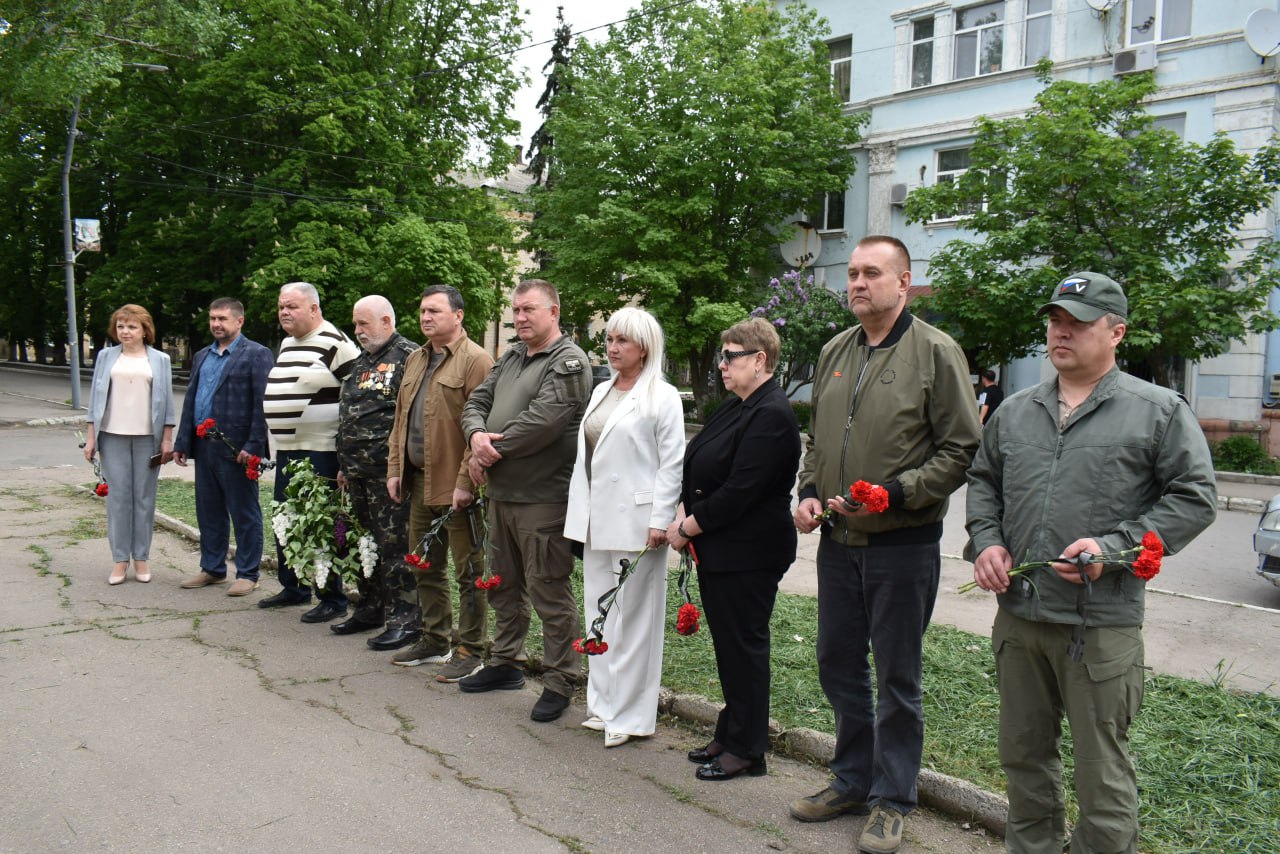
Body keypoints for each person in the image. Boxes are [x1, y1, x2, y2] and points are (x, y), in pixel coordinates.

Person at [965, 272, 1217, 854]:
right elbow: (985, 482)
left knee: (1102, 777)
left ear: (1116, 332)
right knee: (1024, 761)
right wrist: (987, 541)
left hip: (1099, 629)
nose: (1062, 331)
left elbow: (1194, 497)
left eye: (1078, 322)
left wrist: (1116, 547)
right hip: (1021, 622)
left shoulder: (1155, 411)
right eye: (1056, 320)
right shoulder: (1015, 411)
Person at [791, 235, 980, 854]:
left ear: (904, 282)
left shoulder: (936, 352)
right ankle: (851, 777)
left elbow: (960, 449)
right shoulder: (834, 351)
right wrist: (811, 489)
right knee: (836, 663)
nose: (857, 283)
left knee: (898, 677)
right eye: (852, 273)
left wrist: (895, 494)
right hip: (838, 542)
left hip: (903, 544)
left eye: (871, 273)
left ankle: (893, 798)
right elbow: (818, 438)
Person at [666, 317, 800, 781]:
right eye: (722, 355)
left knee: (744, 647)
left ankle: (747, 749)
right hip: (723, 548)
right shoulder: (736, 405)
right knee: (729, 647)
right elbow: (698, 460)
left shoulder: (773, 413)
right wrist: (686, 503)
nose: (721, 364)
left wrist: (688, 526)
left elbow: (742, 489)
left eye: (731, 356)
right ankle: (732, 731)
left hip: (751, 551)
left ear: (760, 360)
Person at [458, 279, 590, 723]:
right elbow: (477, 399)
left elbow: (546, 421)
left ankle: (559, 680)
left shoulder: (568, 360)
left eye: (529, 309)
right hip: (502, 495)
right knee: (505, 586)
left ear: (554, 311)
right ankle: (505, 662)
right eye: (515, 310)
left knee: (548, 588)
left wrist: (493, 449)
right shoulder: (512, 355)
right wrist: (477, 436)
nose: (520, 318)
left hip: (543, 498)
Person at [566, 307, 684, 748]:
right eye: (610, 340)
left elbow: (672, 463)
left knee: (633, 621)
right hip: (596, 518)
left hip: (638, 523)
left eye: (622, 341)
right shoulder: (601, 390)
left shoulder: (663, 395)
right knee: (600, 612)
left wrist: (660, 519)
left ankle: (631, 715)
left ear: (645, 348)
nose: (612, 348)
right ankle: (602, 703)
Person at [386, 285, 495, 678]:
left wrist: (466, 482)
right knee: (425, 566)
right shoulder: (416, 358)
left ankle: (471, 649)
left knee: (469, 571)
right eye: (422, 311)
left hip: (458, 488)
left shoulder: (476, 361)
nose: (425, 317)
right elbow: (401, 420)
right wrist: (395, 469)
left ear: (458, 315)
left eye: (434, 311)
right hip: (419, 482)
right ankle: (434, 639)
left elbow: (480, 426)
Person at [260, 281, 360, 623]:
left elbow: (355, 399)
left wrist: (345, 454)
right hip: (288, 450)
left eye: (292, 306)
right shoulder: (288, 343)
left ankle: (332, 596)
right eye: (281, 307)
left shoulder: (337, 344)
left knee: (323, 522)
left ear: (314, 309)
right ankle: (294, 586)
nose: (285, 312)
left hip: (322, 451)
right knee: (285, 518)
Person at [333, 295, 421, 649]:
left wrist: (400, 467)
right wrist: (344, 464)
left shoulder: (409, 357)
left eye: (363, 324)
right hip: (356, 472)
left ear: (386, 321)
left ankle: (405, 618)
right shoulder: (362, 361)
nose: (357, 331)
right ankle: (371, 607)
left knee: (395, 546)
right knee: (364, 543)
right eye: (356, 324)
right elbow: (351, 412)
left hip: (389, 474)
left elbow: (412, 417)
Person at [174, 298, 275, 597]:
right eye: (212, 318)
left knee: (243, 511)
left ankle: (247, 573)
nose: (216, 324)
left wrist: (254, 444)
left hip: (237, 449)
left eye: (222, 319)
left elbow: (262, 404)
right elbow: (191, 401)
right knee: (209, 510)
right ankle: (213, 568)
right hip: (204, 446)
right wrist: (183, 441)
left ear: (239, 321)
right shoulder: (203, 355)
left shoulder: (257, 354)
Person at [84, 304, 177, 585]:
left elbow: (168, 402)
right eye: (121, 326)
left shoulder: (160, 359)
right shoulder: (105, 357)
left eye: (132, 326)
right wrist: (91, 439)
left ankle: (141, 557)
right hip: (112, 436)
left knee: (144, 498)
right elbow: (95, 399)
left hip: (147, 437)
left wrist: (167, 439)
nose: (125, 331)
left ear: (144, 330)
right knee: (119, 498)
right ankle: (120, 559)